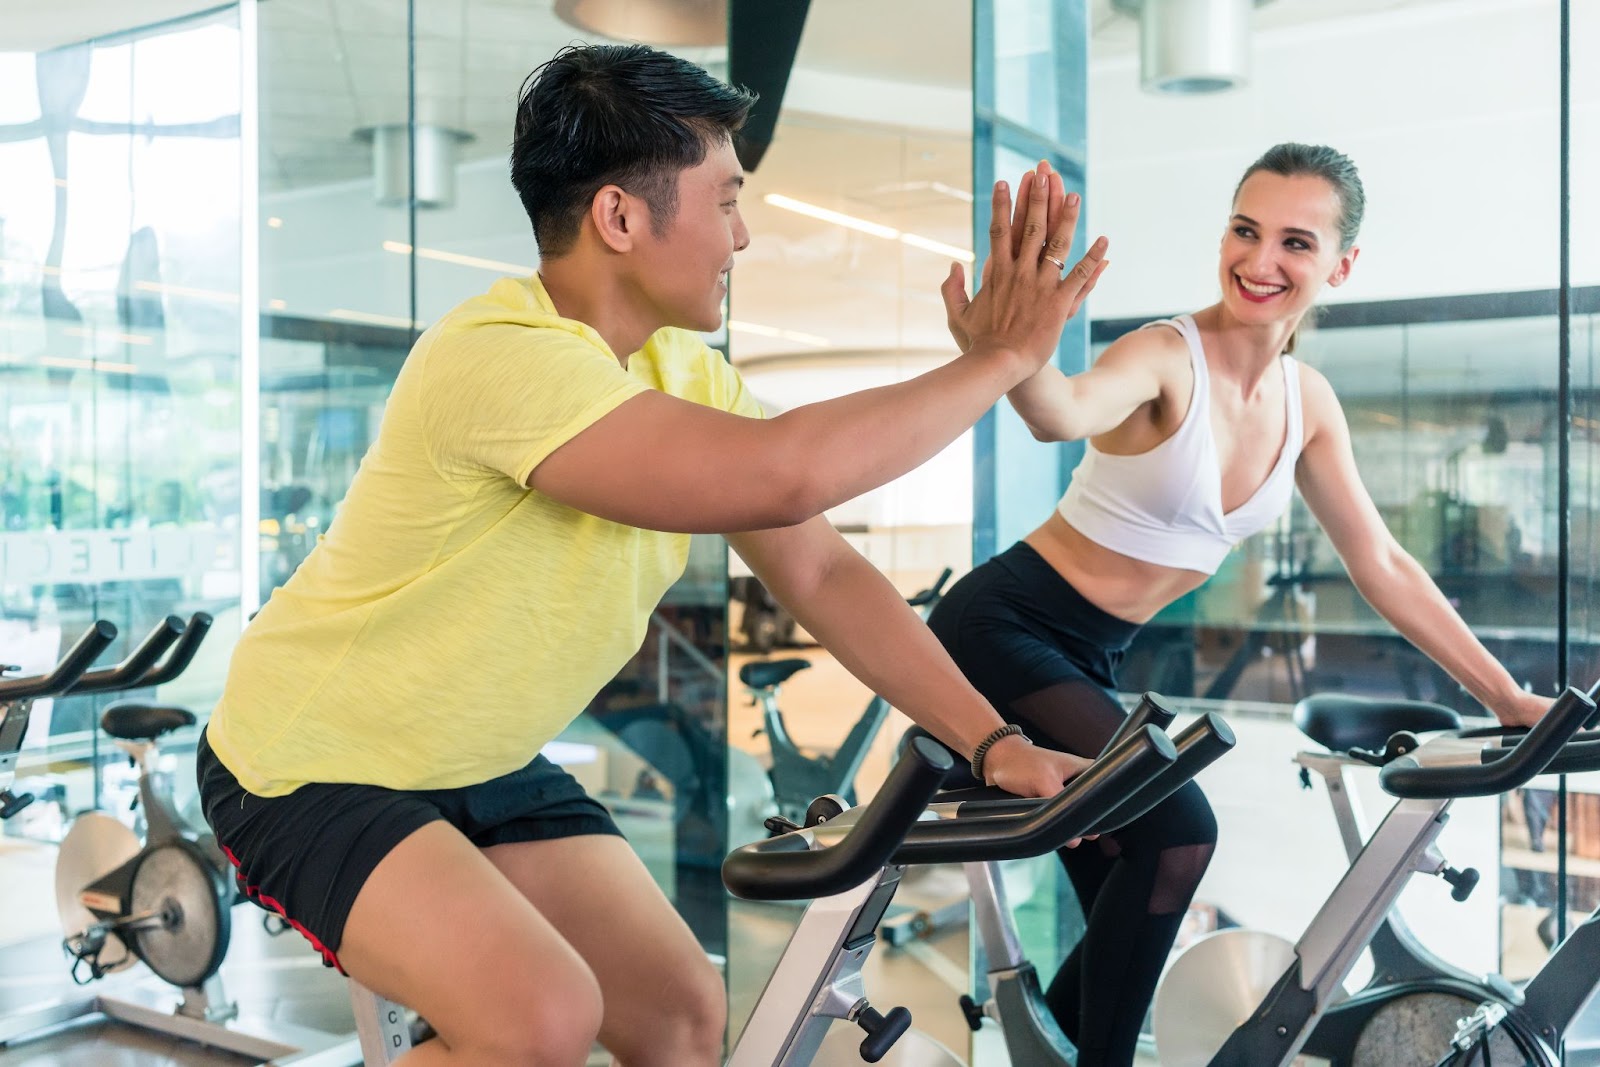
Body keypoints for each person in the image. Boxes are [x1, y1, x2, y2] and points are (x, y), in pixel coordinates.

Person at [196, 43, 1108, 1067]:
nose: (742, 234)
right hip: (313, 762)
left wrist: (992, 742)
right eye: (724, 200)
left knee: (678, 1016)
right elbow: (785, 471)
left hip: (479, 759)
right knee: (539, 1019)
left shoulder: (678, 370)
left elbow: (820, 569)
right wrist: (998, 362)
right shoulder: (500, 355)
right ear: (621, 218)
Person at [928, 143, 1552, 1067]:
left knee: (1126, 893)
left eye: (1295, 242)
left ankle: (1052, 1055)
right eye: (1245, 230)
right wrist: (1011, 352)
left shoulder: (1310, 403)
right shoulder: (1163, 356)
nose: (1260, 261)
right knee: (1179, 831)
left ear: (1340, 266)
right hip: (1002, 628)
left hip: (1090, 656)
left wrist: (1507, 698)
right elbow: (1058, 409)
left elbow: (1381, 562)